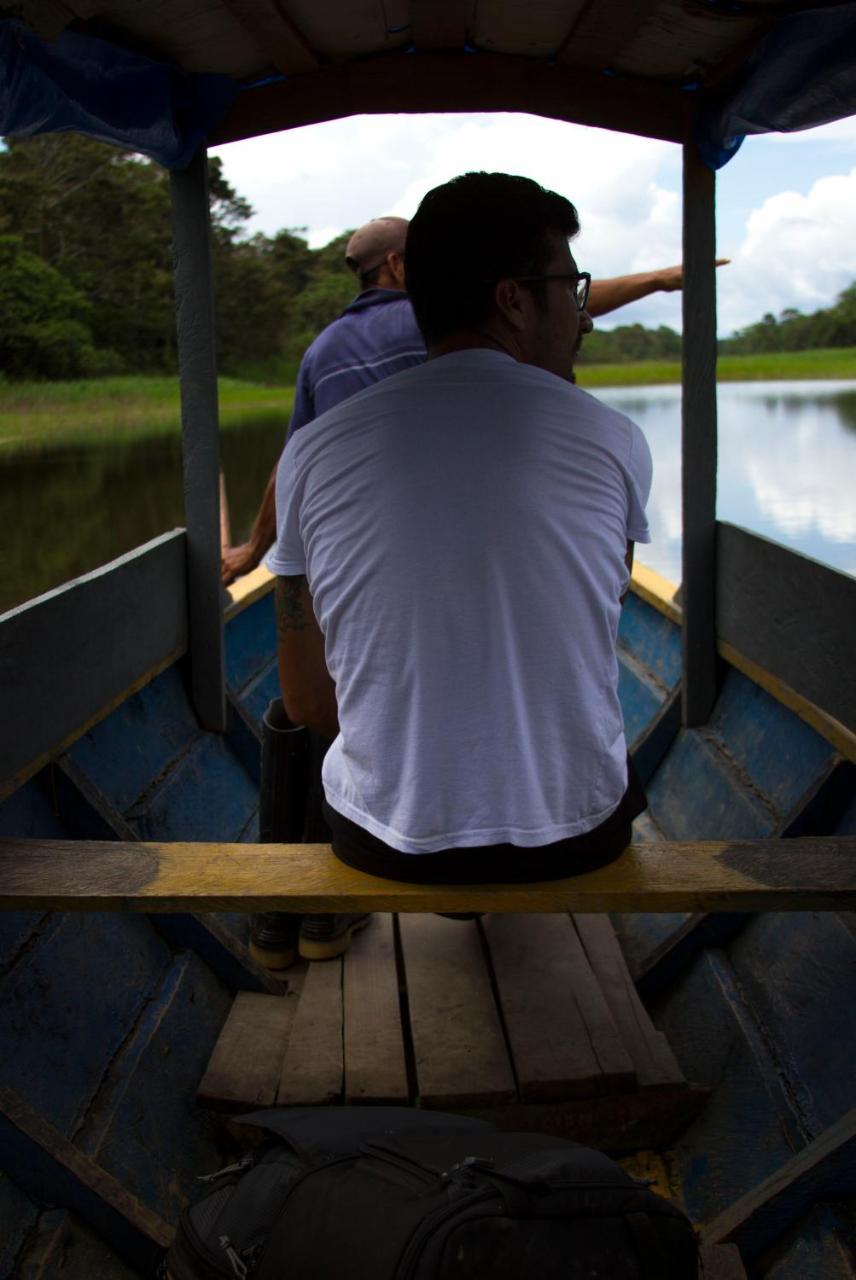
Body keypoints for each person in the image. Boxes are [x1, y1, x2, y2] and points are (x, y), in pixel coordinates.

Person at [267, 171, 653, 910]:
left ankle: (293, 928)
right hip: (575, 841)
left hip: (385, 845)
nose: (581, 315)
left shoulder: (311, 452)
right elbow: (598, 614)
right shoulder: (614, 439)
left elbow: (310, 700)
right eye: (571, 289)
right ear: (513, 298)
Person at [221, 215, 705, 585]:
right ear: (396, 265)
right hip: (460, 554)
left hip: (354, 562)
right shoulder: (436, 324)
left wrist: (250, 552)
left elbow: (288, 468)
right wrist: (658, 280)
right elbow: (549, 310)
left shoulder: (320, 351)